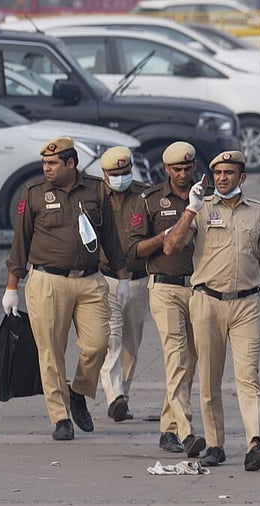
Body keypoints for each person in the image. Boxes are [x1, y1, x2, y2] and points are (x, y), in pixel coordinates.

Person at [164, 150, 260, 471]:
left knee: (248, 377)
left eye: (229, 173)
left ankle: (254, 444)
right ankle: (215, 444)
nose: (222, 177)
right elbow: (172, 246)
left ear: (241, 177)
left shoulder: (257, 212)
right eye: (217, 173)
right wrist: (190, 209)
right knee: (209, 379)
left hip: (247, 303)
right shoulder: (201, 209)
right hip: (206, 302)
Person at [2, 136, 131, 441]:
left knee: (98, 343)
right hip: (47, 281)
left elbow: (110, 236)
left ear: (70, 164)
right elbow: (20, 241)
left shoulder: (96, 189)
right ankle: (60, 416)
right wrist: (12, 286)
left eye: (53, 163)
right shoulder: (33, 193)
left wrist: (123, 275)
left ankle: (79, 392)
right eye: (45, 163)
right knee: (51, 351)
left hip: (89, 279)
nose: (46, 168)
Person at [129, 141, 206, 457]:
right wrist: (163, 237)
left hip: (200, 288)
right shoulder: (149, 201)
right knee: (176, 357)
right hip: (164, 287)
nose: (184, 173)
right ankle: (186, 432)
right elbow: (134, 250)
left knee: (191, 360)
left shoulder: (205, 197)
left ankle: (167, 429)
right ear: (167, 169)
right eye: (178, 169)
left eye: (188, 167)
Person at [96, 146, 151, 423]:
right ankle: (114, 395)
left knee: (131, 341)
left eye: (125, 172)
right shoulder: (94, 196)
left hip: (139, 279)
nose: (121, 177)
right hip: (105, 278)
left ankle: (123, 397)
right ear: (104, 174)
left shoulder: (146, 194)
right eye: (115, 174)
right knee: (112, 340)